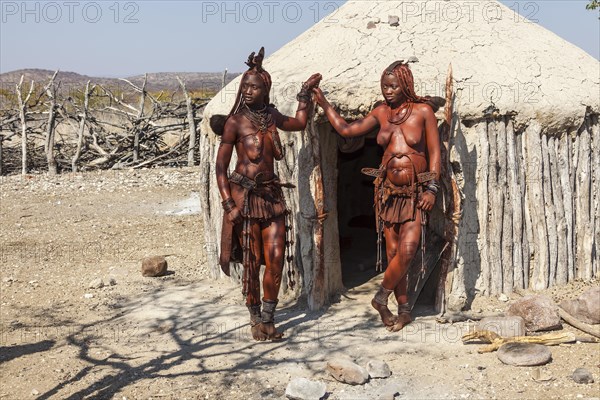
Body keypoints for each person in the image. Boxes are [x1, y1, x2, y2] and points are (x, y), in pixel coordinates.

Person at [312, 60, 441, 331]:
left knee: (407, 249)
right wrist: (323, 103)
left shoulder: (423, 112)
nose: (388, 91)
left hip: (415, 193)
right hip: (387, 193)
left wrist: (432, 188)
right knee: (394, 252)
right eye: (384, 86)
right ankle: (403, 311)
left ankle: (380, 298)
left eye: (393, 86)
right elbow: (347, 130)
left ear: (405, 84)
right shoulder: (381, 113)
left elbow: (435, 153)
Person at [215, 47, 321, 341]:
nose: (248, 91)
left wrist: (304, 95)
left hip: (271, 198)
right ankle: (254, 317)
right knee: (250, 261)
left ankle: (269, 318)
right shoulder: (235, 123)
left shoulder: (272, 117)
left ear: (266, 89)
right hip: (244, 200)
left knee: (275, 259)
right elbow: (220, 168)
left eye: (255, 86)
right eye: (245, 86)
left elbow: (299, 124)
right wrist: (228, 205)